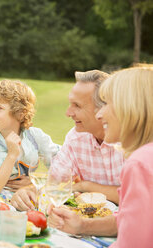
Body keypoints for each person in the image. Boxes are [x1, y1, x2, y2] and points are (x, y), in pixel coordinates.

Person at [48, 65, 153, 247]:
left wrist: (86, 186)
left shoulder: (141, 163)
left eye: (108, 104)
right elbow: (130, 219)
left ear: (131, 109)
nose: (101, 113)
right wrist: (82, 225)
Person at [11, 70, 125, 211]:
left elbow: (141, 196)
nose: (68, 113)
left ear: (104, 107)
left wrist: (86, 186)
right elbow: (57, 181)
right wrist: (29, 191)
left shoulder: (133, 139)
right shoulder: (76, 138)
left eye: (77, 105)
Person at [0, 80, 60, 196]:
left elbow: (63, 165)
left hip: (28, 198)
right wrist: (11, 155)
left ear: (20, 113)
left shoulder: (35, 136)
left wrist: (34, 183)